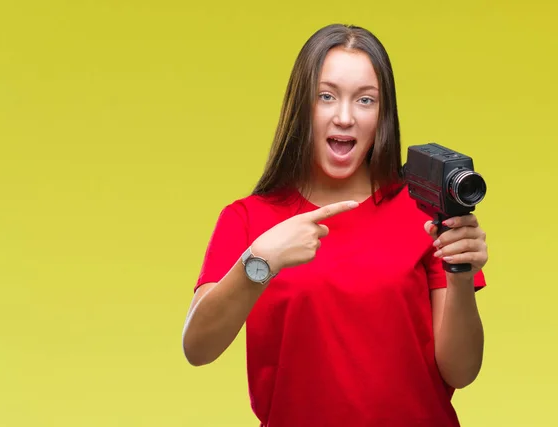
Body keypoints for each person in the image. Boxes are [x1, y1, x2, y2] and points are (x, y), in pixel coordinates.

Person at [182, 23, 488, 427]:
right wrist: (260, 261)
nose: (344, 117)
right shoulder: (247, 218)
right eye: (326, 97)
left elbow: (461, 372)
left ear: (383, 115)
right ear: (301, 106)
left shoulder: (424, 213)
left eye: (365, 100)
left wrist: (460, 274)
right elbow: (198, 348)